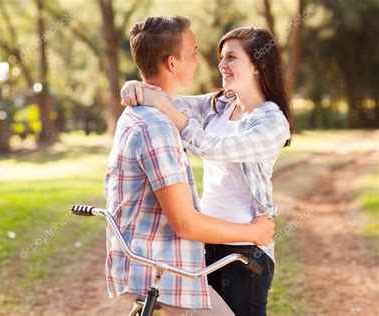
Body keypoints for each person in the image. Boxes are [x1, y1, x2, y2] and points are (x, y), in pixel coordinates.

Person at [105, 18, 275, 315]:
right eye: (197, 52)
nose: (215, 63)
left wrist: (254, 233)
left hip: (244, 247)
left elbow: (212, 146)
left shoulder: (272, 122)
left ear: (257, 66)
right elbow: (171, 102)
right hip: (205, 242)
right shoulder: (217, 106)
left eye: (231, 57)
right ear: (172, 63)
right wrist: (138, 86)